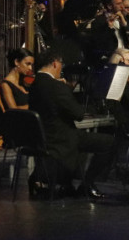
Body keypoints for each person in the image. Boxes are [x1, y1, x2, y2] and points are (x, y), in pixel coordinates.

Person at [28, 48, 117, 199]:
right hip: (61, 138)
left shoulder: (36, 83)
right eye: (61, 64)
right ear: (55, 63)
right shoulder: (56, 86)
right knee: (109, 142)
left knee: (83, 140)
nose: (62, 68)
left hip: (42, 135)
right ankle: (86, 184)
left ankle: (67, 182)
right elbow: (78, 114)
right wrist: (68, 90)